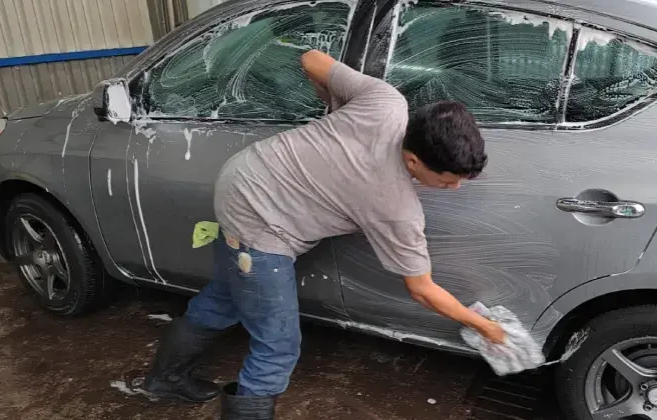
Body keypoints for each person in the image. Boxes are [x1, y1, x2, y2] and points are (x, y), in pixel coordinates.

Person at [142, 49, 505, 419]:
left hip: (244, 175)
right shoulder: (395, 208)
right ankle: (190, 388)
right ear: (413, 160)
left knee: (226, 296)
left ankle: (164, 379)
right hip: (260, 224)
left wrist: (333, 105)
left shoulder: (386, 103)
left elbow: (312, 58)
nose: (453, 189)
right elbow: (422, 289)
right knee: (278, 346)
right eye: (445, 182)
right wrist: (483, 326)